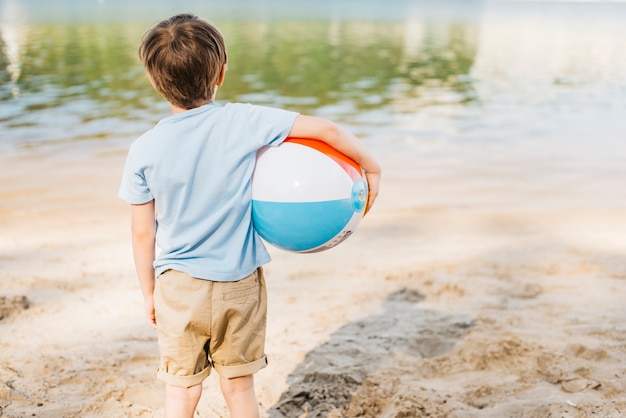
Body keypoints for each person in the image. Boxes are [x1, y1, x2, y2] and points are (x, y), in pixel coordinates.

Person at [118, 13, 381, 418]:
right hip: (238, 285)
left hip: (178, 289)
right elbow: (325, 130)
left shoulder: (144, 149)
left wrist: (150, 292)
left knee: (181, 394)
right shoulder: (244, 121)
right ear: (221, 72)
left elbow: (141, 234)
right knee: (239, 388)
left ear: (154, 82)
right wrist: (371, 167)